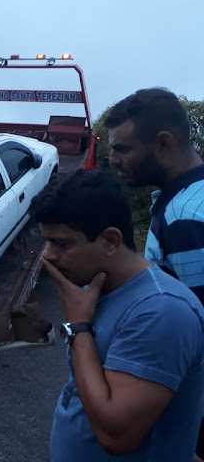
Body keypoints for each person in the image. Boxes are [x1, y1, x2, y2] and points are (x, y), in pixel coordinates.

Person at [30, 169, 204, 461]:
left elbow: (116, 436)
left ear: (110, 241)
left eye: (61, 243)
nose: (46, 255)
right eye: (46, 241)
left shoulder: (162, 312)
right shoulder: (94, 288)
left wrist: (79, 328)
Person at [106, 88, 204, 458]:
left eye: (123, 149)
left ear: (163, 143)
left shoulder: (184, 219)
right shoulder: (192, 198)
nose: (113, 160)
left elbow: (195, 327)